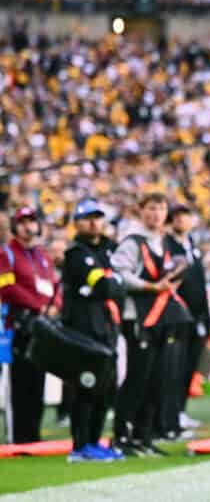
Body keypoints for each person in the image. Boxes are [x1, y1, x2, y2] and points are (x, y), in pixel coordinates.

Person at [112, 193, 192, 456]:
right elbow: (119, 274)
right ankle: (122, 435)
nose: (156, 214)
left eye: (160, 208)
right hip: (139, 318)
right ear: (141, 211)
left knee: (155, 379)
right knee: (137, 377)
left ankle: (144, 435)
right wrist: (150, 286)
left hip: (161, 319)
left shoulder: (165, 242)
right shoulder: (133, 242)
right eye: (151, 208)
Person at [62, 198, 125, 462]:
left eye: (97, 217)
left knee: (105, 389)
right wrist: (112, 280)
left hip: (107, 327)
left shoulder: (111, 248)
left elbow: (122, 281)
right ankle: (80, 445)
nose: (94, 222)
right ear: (77, 223)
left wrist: (113, 281)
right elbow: (107, 287)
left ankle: (95, 441)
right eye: (88, 218)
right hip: (83, 328)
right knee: (86, 386)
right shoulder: (76, 254)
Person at [1, 206, 61, 444]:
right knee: (20, 384)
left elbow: (54, 283)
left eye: (32, 221)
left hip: (42, 325)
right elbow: (6, 288)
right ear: (15, 227)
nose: (28, 226)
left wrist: (55, 304)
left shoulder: (42, 255)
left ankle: (34, 437)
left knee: (38, 382)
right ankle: (19, 437)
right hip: (18, 325)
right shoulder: (6, 254)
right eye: (23, 222)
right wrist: (39, 304)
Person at [167, 203, 210, 434]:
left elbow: (200, 283)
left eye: (186, 216)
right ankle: (170, 415)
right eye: (178, 216)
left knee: (188, 366)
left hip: (196, 315)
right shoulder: (168, 245)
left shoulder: (191, 245)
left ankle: (180, 410)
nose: (182, 221)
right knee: (174, 367)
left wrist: (206, 314)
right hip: (177, 315)